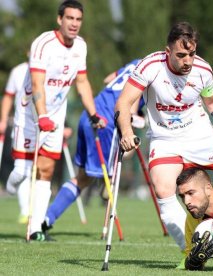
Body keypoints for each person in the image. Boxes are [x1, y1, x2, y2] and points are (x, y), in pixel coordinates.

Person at [115, 22, 213, 251]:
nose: (187, 61)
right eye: (181, 55)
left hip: (199, 134)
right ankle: (191, 248)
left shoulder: (203, 70)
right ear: (167, 51)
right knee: (163, 188)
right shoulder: (150, 66)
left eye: (191, 53)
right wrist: (127, 132)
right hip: (164, 139)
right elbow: (124, 102)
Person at [13, 0, 106, 241]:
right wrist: (42, 115)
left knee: (46, 169)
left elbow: (82, 82)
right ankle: (12, 187)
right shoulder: (43, 44)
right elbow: (37, 84)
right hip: (31, 112)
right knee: (21, 172)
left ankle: (35, 230)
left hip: (55, 114)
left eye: (78, 19)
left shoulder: (81, 47)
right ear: (59, 19)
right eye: (70, 18)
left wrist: (94, 114)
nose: (74, 24)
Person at [41, 59, 144, 234]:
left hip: (89, 114)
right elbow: (133, 102)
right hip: (106, 123)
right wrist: (135, 116)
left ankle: (46, 218)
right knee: (91, 177)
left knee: (82, 177)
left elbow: (107, 80)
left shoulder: (136, 63)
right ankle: (107, 182)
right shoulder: (152, 71)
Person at [1, 58, 30, 224]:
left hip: (43, 127)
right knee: (23, 169)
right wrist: (4, 120)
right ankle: (25, 210)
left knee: (40, 170)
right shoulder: (18, 71)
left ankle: (35, 213)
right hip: (22, 126)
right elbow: (8, 97)